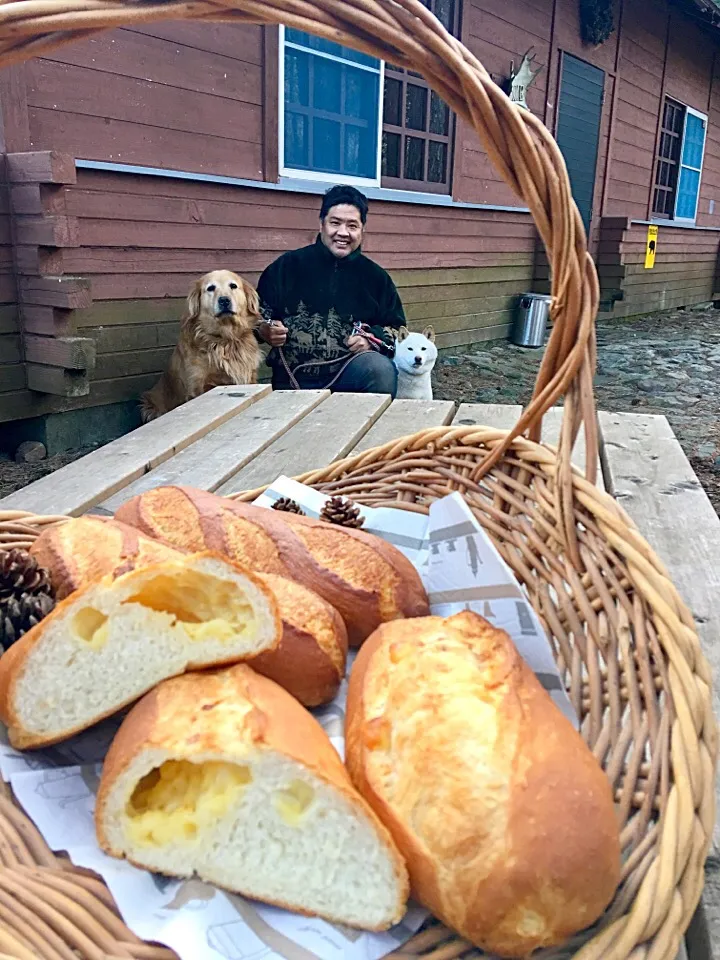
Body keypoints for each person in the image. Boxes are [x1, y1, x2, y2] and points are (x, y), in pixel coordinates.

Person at [255, 185, 405, 396]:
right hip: (293, 376)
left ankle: (370, 426)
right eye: (335, 223)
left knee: (379, 369)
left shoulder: (377, 278)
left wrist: (371, 340)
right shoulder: (286, 267)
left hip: (350, 374)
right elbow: (254, 316)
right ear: (321, 224)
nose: (342, 233)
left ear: (362, 230)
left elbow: (397, 329)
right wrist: (265, 329)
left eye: (352, 225)